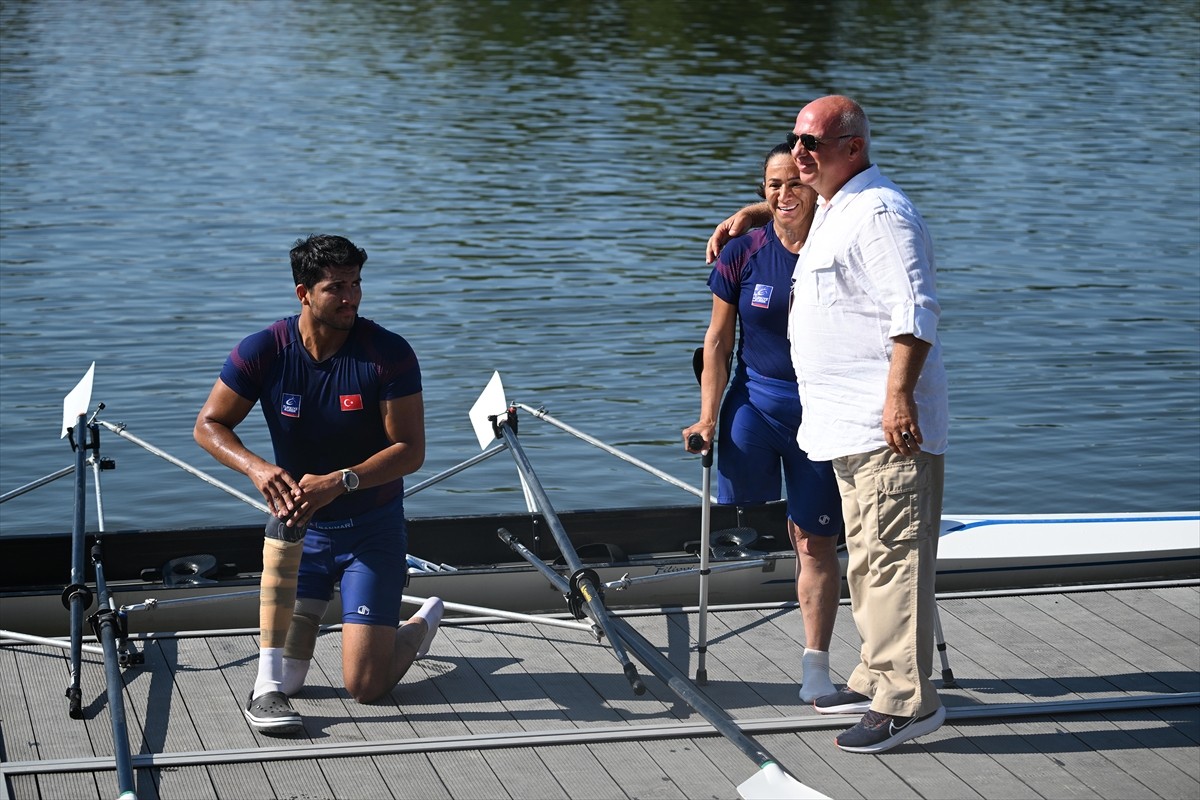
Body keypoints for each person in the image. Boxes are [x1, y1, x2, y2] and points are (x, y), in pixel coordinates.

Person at [707, 95, 948, 754]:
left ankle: (907, 704)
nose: (802, 154)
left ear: (853, 147)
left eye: (813, 144)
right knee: (868, 559)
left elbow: (915, 309)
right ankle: (877, 674)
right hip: (844, 428)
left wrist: (898, 397)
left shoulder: (880, 215)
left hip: (885, 427)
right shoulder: (841, 206)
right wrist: (760, 210)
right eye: (795, 143)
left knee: (893, 561)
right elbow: (800, 218)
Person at [194, 233, 443, 736]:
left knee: (366, 687)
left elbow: (410, 452)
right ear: (303, 293)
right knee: (287, 682)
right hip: (301, 532)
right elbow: (209, 426)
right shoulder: (265, 350)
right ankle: (305, 622)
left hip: (371, 529)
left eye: (356, 284)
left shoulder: (387, 353)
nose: (350, 297)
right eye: (336, 287)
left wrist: (341, 481)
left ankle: (419, 624)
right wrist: (257, 469)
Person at [682, 143, 843, 704]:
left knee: (815, 543)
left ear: (814, 184)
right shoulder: (743, 253)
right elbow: (719, 341)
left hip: (821, 412)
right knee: (743, 526)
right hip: (753, 406)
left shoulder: (837, 244)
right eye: (771, 186)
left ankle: (816, 671)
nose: (782, 194)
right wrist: (706, 416)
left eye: (793, 184)